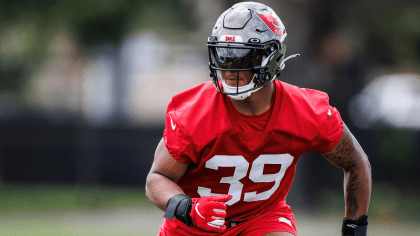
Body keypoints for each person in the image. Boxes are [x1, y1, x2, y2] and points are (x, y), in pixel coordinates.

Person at [146, 2, 372, 236]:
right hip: (194, 228)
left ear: (272, 57)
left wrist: (355, 232)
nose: (229, 68)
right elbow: (157, 178)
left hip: (261, 219)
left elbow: (357, 164)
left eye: (242, 57)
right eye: (223, 55)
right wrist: (187, 208)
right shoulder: (194, 112)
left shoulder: (307, 111)